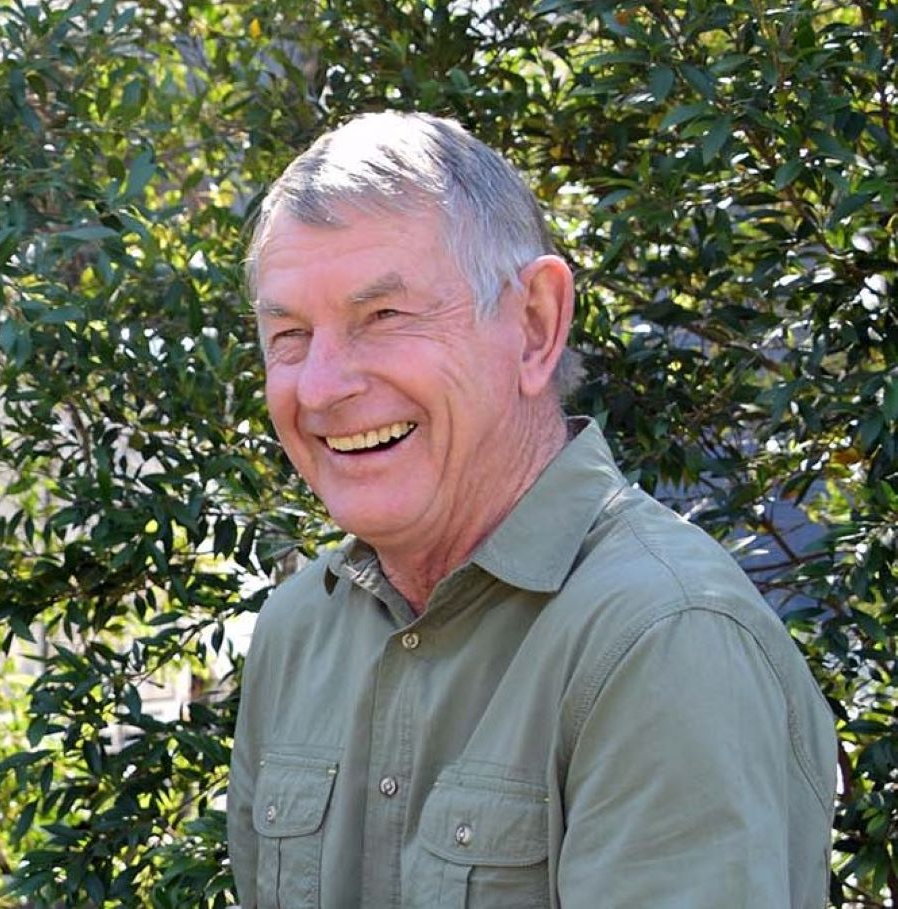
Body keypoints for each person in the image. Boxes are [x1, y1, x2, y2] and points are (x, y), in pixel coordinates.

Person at [227, 111, 836, 909]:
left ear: (535, 326)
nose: (321, 387)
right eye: (291, 335)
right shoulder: (299, 630)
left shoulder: (664, 638)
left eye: (384, 316)